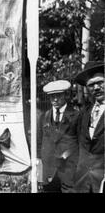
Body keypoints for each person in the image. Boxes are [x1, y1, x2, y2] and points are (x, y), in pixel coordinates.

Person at [37, 80, 79, 193]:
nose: (55, 99)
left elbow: (80, 143)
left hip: (68, 171)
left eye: (58, 95)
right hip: (49, 171)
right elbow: (39, 143)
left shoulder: (76, 116)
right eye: (52, 96)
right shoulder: (44, 117)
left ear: (65, 95)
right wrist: (40, 170)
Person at [73, 61, 104, 193]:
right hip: (83, 182)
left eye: (100, 82)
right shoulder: (84, 113)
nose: (96, 88)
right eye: (91, 85)